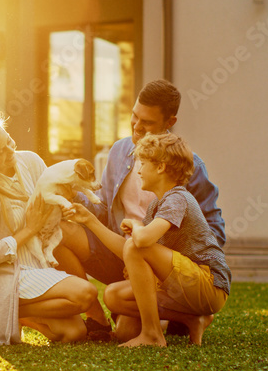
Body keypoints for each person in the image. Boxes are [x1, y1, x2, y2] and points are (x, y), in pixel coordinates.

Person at [54, 79, 225, 338]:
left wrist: (159, 263)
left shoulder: (189, 167)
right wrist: (75, 194)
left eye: (147, 122)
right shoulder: (119, 152)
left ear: (169, 122)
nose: (136, 125)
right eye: (134, 116)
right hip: (120, 252)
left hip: (161, 263)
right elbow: (102, 208)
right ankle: (97, 320)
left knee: (125, 333)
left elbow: (213, 230)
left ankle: (179, 313)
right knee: (60, 232)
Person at [0, 114, 106, 345]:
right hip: (10, 273)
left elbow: (53, 194)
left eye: (9, 142)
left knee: (75, 333)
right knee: (86, 293)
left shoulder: (31, 162)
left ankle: (14, 314)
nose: (10, 152)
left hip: (39, 263)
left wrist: (65, 200)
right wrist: (30, 229)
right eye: (0, 152)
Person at [70, 133, 230, 346]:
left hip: (209, 283)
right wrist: (90, 221)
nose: (138, 170)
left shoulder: (178, 198)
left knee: (137, 247)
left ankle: (152, 334)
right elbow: (128, 247)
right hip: (183, 284)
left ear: (160, 167)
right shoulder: (157, 206)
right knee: (113, 296)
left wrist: (136, 226)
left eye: (143, 164)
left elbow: (141, 242)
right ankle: (191, 318)